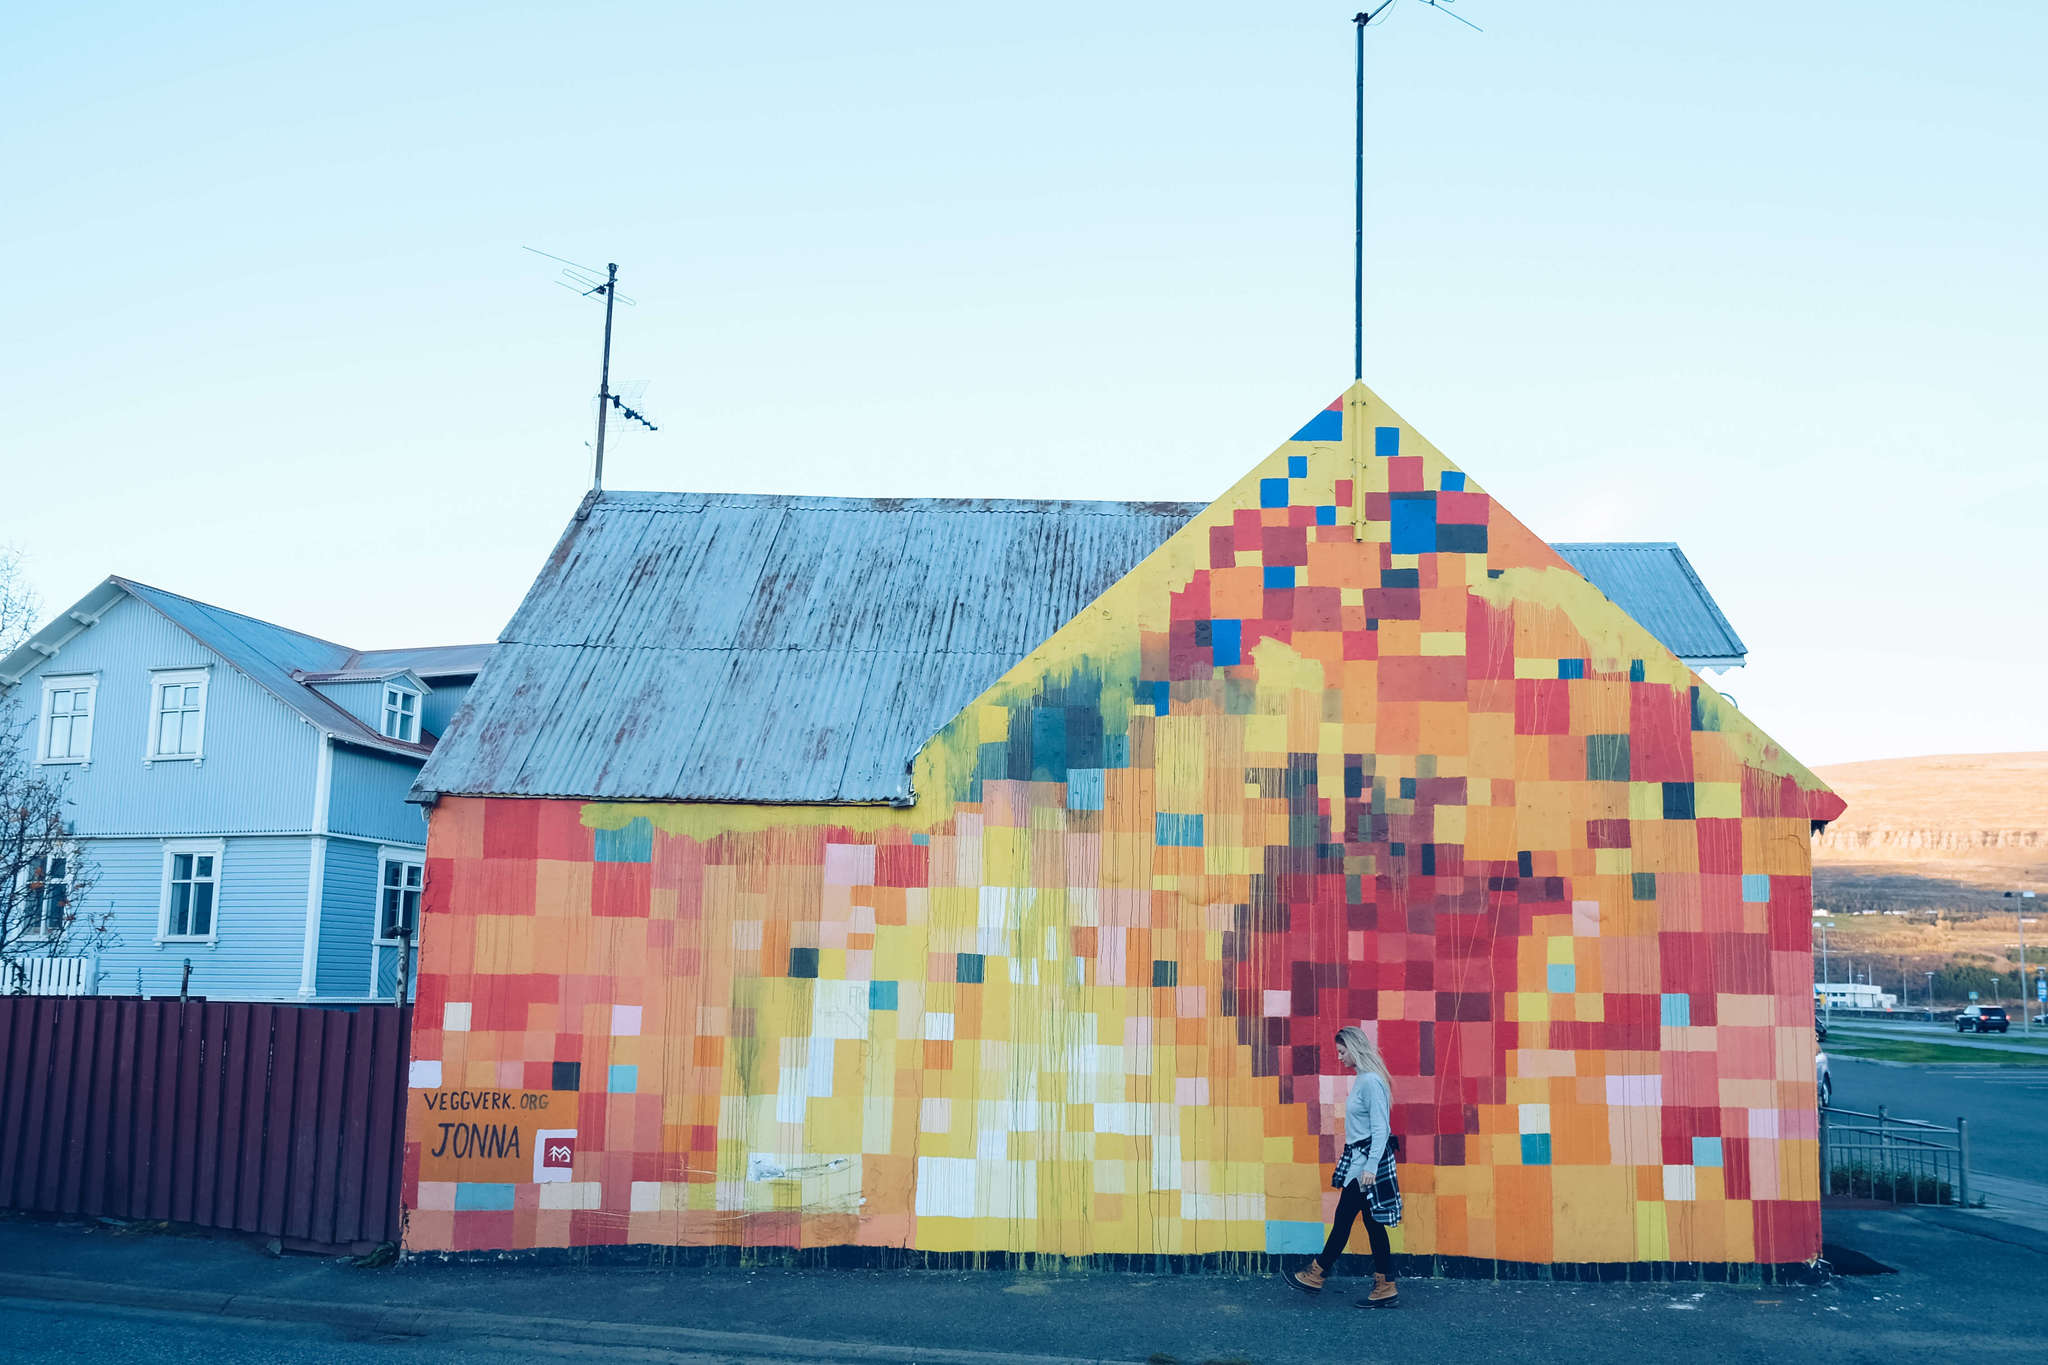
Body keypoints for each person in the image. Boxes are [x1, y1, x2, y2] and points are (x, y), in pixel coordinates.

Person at [1285, 1025, 1401, 1308]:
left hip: (1366, 1166)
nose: (1339, 1057)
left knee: (1345, 1219)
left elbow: (1381, 1128)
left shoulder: (1371, 1082)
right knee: (1371, 1225)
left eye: (1342, 1051)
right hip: (1360, 1162)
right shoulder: (1364, 1079)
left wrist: (1371, 1166)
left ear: (1354, 1048)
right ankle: (1385, 1285)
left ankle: (1317, 1273)